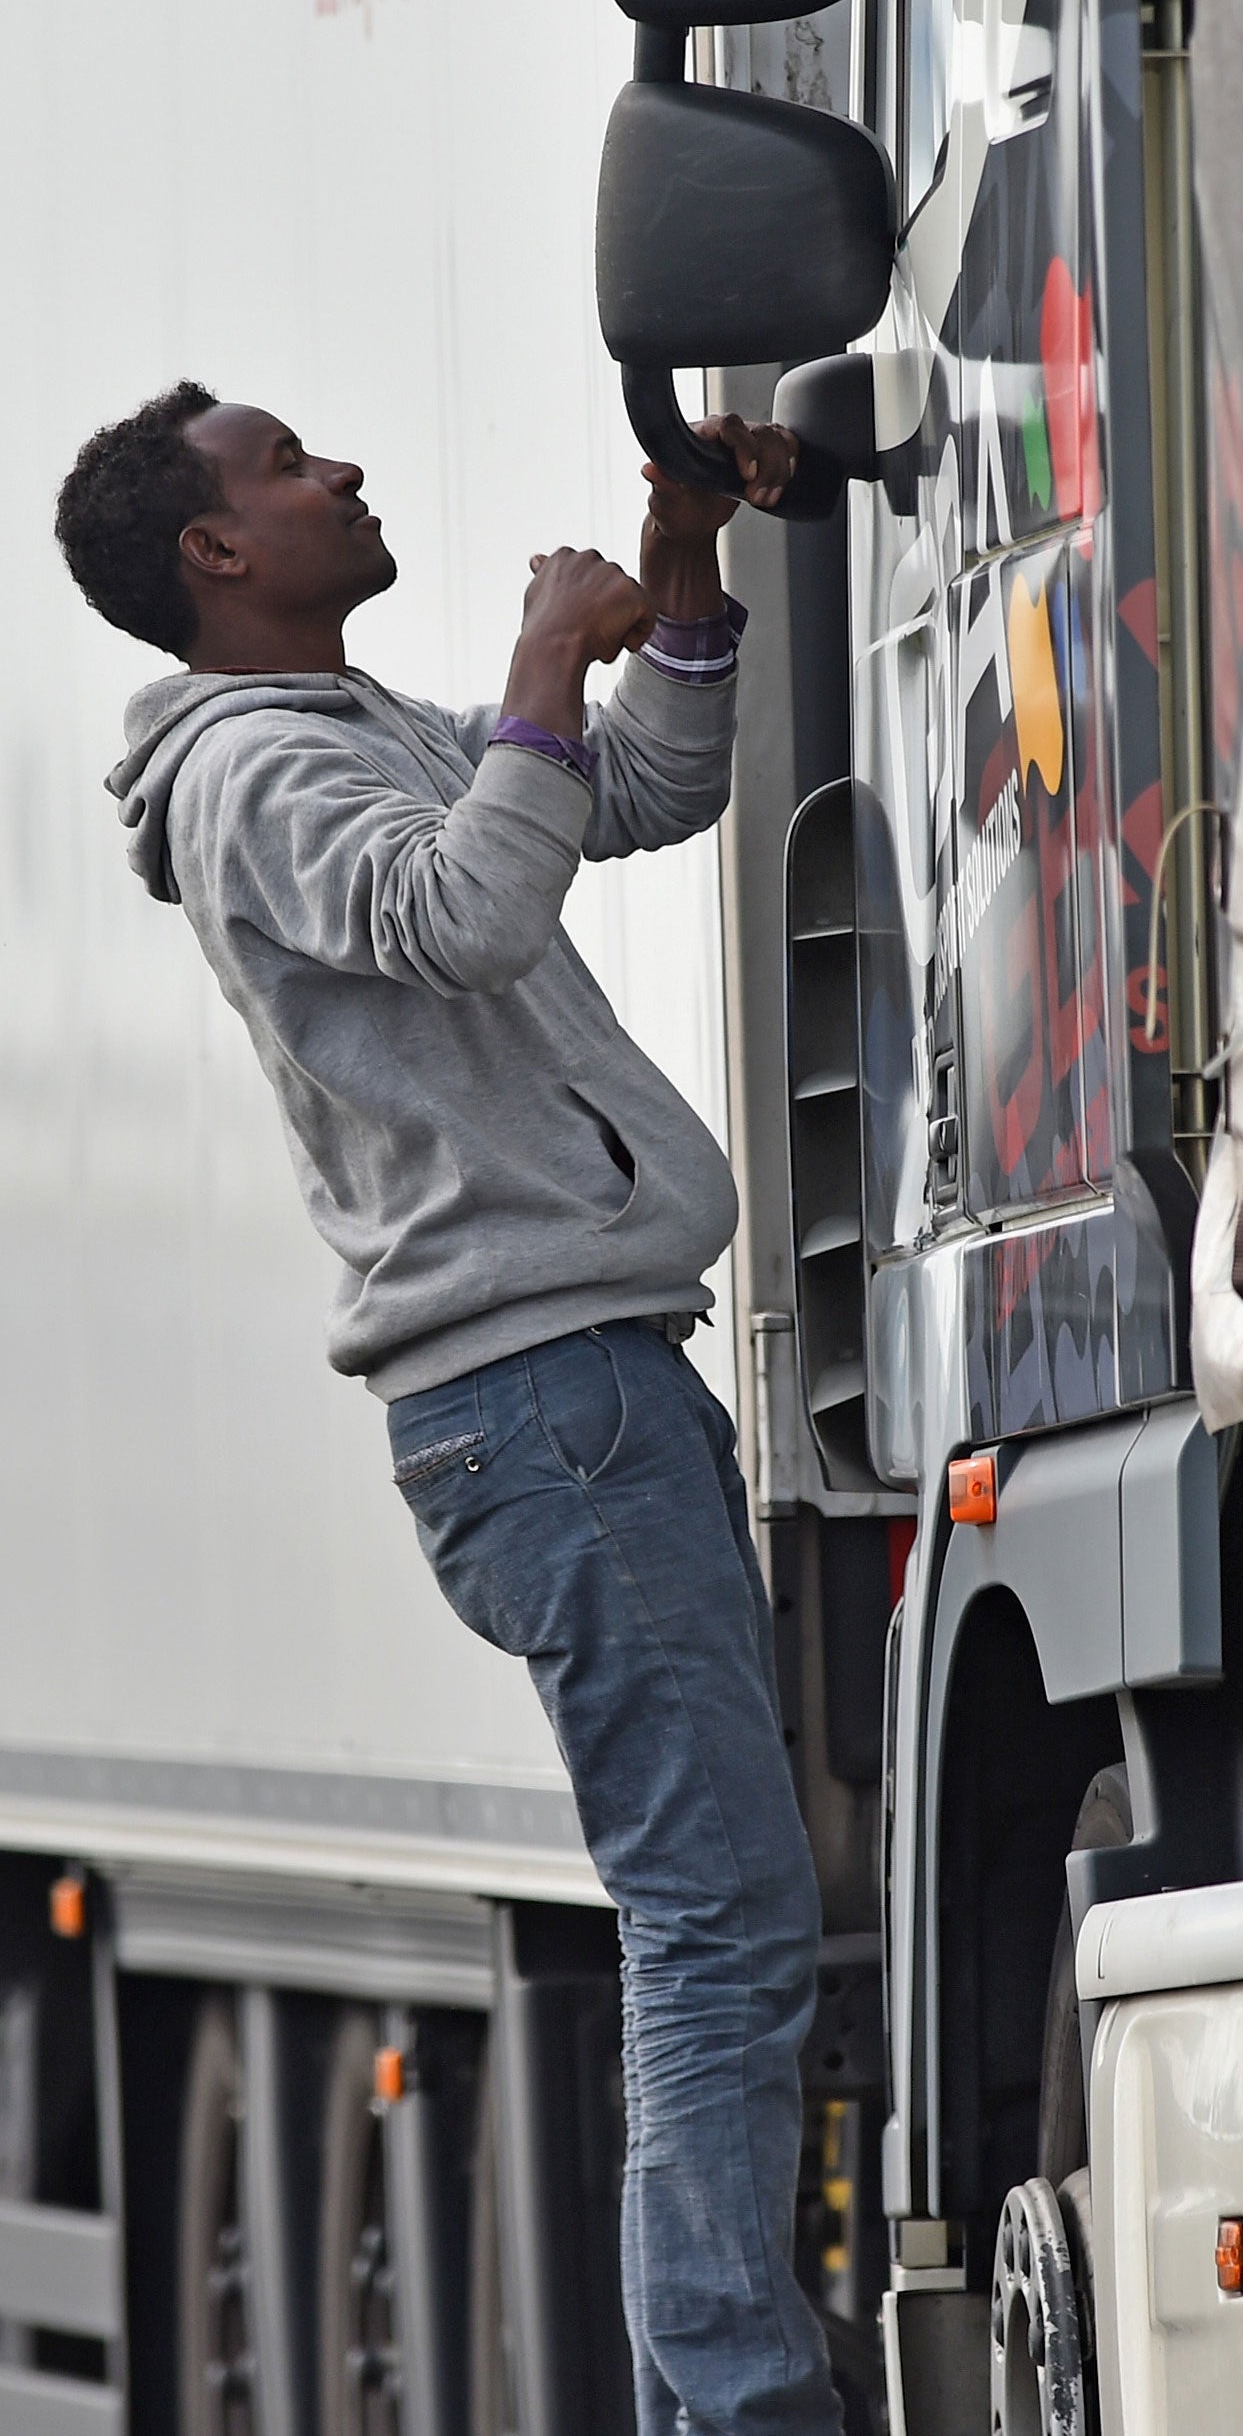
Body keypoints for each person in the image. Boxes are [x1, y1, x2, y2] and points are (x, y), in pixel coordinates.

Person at [56, 383, 843, 2436]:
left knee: (720, 1917)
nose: (342, 474)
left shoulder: (348, 728)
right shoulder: (246, 778)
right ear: (215, 554)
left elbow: (627, 802)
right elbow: (469, 908)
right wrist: (529, 668)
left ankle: (720, 2401)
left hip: (583, 1384)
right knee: (719, 1921)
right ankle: (747, 2405)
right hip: (542, 1395)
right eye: (288, 466)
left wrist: (675, 594)